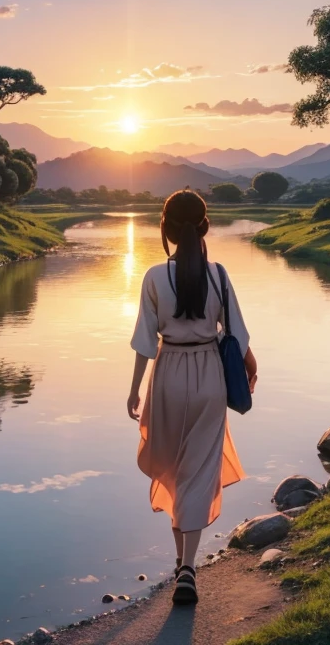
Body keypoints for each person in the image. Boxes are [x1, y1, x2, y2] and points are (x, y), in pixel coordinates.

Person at [127, 189, 258, 605]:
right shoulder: (218, 274)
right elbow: (236, 334)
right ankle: (187, 568)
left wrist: (133, 390)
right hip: (209, 377)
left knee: (174, 468)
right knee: (199, 471)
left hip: (168, 375)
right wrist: (251, 368)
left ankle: (181, 565)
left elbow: (146, 343)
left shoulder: (153, 276)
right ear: (205, 226)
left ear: (164, 228)